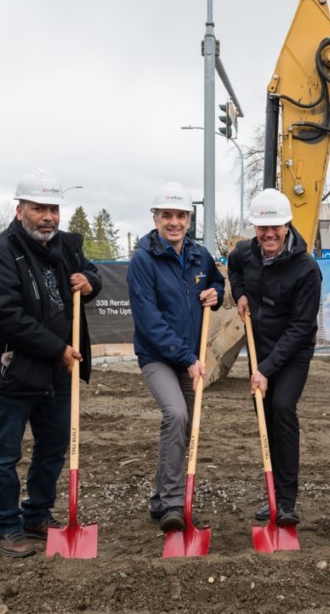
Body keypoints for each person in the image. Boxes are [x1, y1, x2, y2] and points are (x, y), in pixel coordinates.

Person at [0, 168, 103, 558]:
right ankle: (5, 526)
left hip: (56, 372)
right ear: (20, 210)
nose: (47, 216)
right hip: (12, 371)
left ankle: (37, 514)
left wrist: (90, 282)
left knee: (54, 446)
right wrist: (57, 349)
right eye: (38, 208)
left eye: (53, 209)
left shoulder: (65, 246)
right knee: (4, 452)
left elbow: (90, 272)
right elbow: (3, 314)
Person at [127, 181, 224, 532]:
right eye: (166, 215)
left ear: (189, 218)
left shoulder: (200, 256)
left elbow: (217, 284)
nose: (174, 222)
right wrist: (186, 358)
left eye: (180, 215)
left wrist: (218, 293)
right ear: (155, 218)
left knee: (183, 428)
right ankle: (172, 504)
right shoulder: (143, 260)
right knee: (176, 414)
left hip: (190, 356)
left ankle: (159, 500)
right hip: (159, 357)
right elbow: (149, 322)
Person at [227, 189, 322, 526]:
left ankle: (286, 501)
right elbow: (233, 267)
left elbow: (300, 327)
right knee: (264, 418)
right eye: (261, 228)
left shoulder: (306, 268)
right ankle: (270, 494)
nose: (268, 234)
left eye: (275, 228)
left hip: (293, 351)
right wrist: (239, 294)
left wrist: (265, 369)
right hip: (260, 345)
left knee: (282, 407)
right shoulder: (245, 252)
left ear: (287, 226)